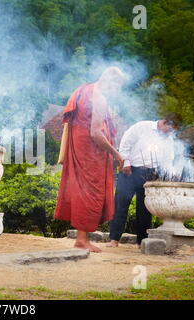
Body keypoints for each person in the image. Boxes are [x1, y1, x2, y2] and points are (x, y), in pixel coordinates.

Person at [55, 67, 126, 253]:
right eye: (118, 86)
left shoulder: (84, 90)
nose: (117, 91)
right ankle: (81, 240)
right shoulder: (99, 98)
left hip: (80, 148)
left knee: (82, 192)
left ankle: (82, 238)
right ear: (110, 81)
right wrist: (116, 154)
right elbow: (95, 133)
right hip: (90, 153)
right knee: (91, 194)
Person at [108, 113, 182, 248]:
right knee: (121, 204)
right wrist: (126, 163)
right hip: (130, 170)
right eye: (170, 129)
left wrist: (172, 173)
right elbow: (125, 145)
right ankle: (114, 239)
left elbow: (167, 161)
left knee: (145, 209)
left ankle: (141, 241)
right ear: (165, 122)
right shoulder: (142, 127)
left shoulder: (168, 139)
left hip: (150, 174)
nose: (170, 132)